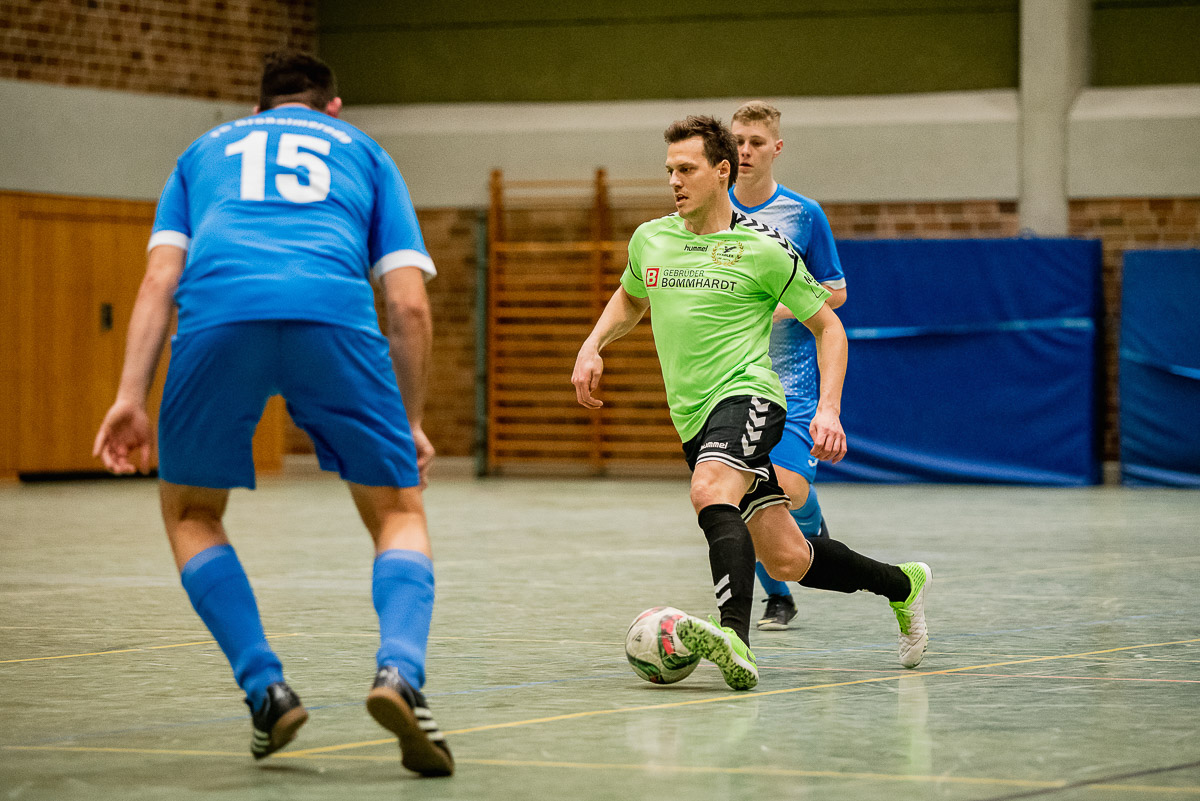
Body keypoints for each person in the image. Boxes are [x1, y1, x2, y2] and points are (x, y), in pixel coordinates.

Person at [92, 51, 453, 776]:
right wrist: (409, 420)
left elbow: (159, 280)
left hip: (219, 318)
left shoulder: (201, 153)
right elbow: (408, 305)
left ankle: (266, 689)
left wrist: (130, 397)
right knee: (397, 509)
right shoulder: (366, 152)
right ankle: (399, 672)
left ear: (256, 111)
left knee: (191, 511)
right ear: (333, 108)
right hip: (332, 317)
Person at [572, 115, 930, 692]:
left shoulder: (764, 248)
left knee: (710, 489)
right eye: (669, 170)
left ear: (722, 171)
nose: (674, 181)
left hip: (749, 395)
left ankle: (733, 638)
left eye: (686, 169)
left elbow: (829, 326)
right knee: (787, 558)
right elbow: (631, 296)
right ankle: (902, 584)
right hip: (692, 416)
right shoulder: (651, 239)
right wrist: (592, 345)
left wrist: (829, 408)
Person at [730, 101, 848, 632]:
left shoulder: (804, 214)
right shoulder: (713, 213)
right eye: (737, 141)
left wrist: (782, 304)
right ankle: (777, 597)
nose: (745, 151)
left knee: (785, 488)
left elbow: (836, 292)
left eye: (755, 142)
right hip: (732, 380)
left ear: (776, 148)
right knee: (742, 493)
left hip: (792, 382)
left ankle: (812, 521)